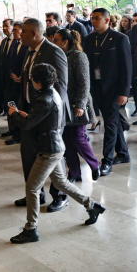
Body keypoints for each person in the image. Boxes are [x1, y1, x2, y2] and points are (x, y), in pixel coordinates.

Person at [8, 63, 105, 244]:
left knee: (32, 187)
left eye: (32, 79)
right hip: (55, 146)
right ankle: (93, 206)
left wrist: (14, 115)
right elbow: (37, 119)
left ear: (37, 81)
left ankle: (30, 229)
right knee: (61, 183)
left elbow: (28, 124)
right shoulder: (52, 93)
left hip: (49, 150)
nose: (31, 82)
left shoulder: (45, 98)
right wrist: (23, 115)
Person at [15, 18, 70, 212]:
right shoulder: (28, 52)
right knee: (28, 153)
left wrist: (55, 117)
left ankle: (60, 196)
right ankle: (35, 194)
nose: (19, 35)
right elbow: (26, 82)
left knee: (53, 156)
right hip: (31, 110)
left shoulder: (53, 52)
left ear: (33, 34)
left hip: (49, 114)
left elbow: (61, 87)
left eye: (23, 33)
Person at [84, 8, 132, 177]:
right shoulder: (89, 40)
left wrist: (124, 92)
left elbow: (127, 67)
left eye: (97, 18)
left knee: (110, 123)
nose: (93, 21)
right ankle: (124, 153)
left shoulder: (119, 39)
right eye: (92, 18)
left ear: (106, 20)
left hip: (113, 89)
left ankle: (107, 160)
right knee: (114, 120)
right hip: (96, 88)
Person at [53, 29, 100, 182]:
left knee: (78, 138)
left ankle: (94, 165)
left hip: (78, 104)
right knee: (67, 139)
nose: (54, 43)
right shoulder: (60, 55)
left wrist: (80, 104)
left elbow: (84, 84)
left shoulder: (78, 56)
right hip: (64, 104)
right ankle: (74, 173)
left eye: (56, 40)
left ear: (65, 42)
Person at [6, 21, 29, 145]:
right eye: (13, 30)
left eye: (16, 30)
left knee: (21, 107)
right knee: (13, 105)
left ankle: (21, 134)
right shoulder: (14, 43)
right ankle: (15, 132)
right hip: (13, 81)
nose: (14, 32)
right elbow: (9, 61)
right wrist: (12, 74)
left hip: (23, 81)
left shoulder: (27, 45)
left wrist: (22, 77)